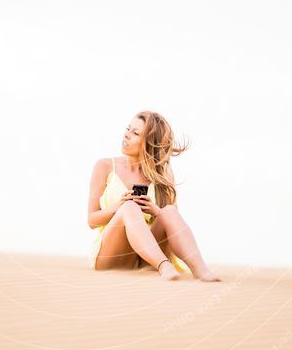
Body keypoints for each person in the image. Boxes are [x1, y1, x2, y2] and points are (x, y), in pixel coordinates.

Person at [87, 111, 221, 282]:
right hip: (112, 256)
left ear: (149, 143)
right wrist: (118, 207)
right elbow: (91, 220)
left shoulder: (162, 173)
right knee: (129, 207)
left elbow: (172, 226)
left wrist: (155, 211)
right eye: (128, 129)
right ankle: (164, 265)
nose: (126, 135)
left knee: (169, 211)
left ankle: (201, 269)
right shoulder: (104, 166)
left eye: (135, 133)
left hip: (146, 257)